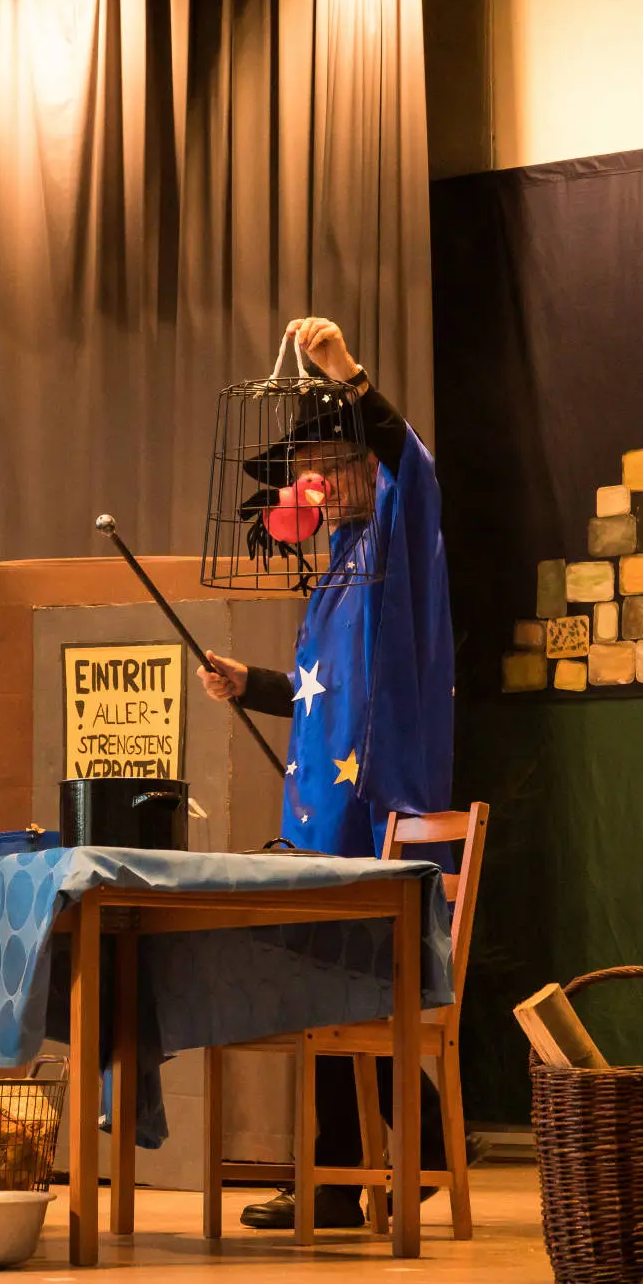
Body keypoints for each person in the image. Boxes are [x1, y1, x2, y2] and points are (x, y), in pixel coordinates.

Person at [198, 315, 456, 1231]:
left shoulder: (394, 532)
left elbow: (413, 462)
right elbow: (325, 696)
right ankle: (344, 1177)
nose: (311, 483)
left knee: (358, 989)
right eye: (304, 469)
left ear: (363, 467)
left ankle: (406, 1157)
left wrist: (347, 372)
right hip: (320, 815)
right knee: (326, 988)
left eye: (325, 464)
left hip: (375, 812)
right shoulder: (337, 567)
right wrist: (254, 684)